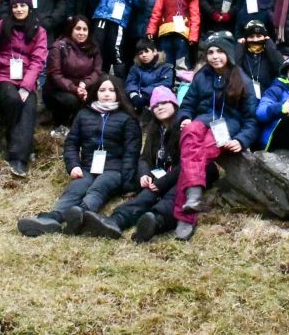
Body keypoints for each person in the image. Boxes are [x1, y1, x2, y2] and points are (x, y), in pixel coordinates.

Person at [17, 75, 141, 237]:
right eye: (102, 90)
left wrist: (127, 181)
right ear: (95, 92)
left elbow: (132, 152)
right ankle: (52, 218)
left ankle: (82, 214)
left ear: (118, 93)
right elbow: (72, 144)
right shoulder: (83, 114)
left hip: (113, 169)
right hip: (88, 167)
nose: (106, 94)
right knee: (75, 188)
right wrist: (73, 166)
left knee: (99, 187)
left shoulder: (127, 118)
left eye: (111, 90)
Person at [173, 31, 258, 241]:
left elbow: (252, 119)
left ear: (228, 53)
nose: (214, 56)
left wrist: (241, 140)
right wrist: (184, 117)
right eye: (210, 52)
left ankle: (186, 214)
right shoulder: (201, 77)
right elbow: (188, 104)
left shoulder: (243, 80)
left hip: (227, 126)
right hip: (203, 119)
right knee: (190, 131)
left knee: (198, 152)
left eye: (219, 51)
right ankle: (194, 196)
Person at [81, 86, 183, 242]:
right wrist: (144, 174)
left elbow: (188, 163)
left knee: (173, 195)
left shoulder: (185, 127)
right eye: (155, 105)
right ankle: (116, 221)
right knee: (147, 195)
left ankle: (155, 222)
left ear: (174, 104)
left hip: (183, 177)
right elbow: (145, 158)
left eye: (163, 102)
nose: (159, 107)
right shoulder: (155, 129)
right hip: (160, 177)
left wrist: (164, 182)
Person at [0, 0, 48, 177]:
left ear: (29, 8)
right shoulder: (2, 26)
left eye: (22, 6)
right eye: (15, 6)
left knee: (28, 108)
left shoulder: (39, 31)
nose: (18, 10)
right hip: (4, 74)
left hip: (27, 78)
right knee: (12, 99)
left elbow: (38, 60)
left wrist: (26, 86)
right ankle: (15, 146)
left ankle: (19, 160)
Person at [43, 15, 103, 131]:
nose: (81, 33)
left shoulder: (94, 48)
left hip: (83, 86)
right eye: (78, 29)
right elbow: (55, 75)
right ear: (71, 29)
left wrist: (85, 84)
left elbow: (97, 71)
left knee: (104, 83)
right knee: (71, 100)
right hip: (59, 89)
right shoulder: (59, 46)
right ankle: (60, 123)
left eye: (85, 29)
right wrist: (75, 89)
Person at [146, 0, 201, 68]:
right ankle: (165, 82)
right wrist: (151, 30)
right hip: (165, 32)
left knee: (181, 61)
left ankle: (180, 83)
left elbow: (195, 15)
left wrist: (193, 36)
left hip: (182, 33)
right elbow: (156, 12)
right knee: (165, 62)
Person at [235, 19, 284, 100]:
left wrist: (270, 46)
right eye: (251, 37)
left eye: (259, 36)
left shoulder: (270, 53)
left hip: (269, 98)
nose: (255, 40)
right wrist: (239, 47)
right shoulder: (242, 54)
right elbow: (233, 70)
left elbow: (281, 69)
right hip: (245, 98)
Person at [126, 39, 175, 113]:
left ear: (154, 52)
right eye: (140, 53)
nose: (144, 55)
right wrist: (134, 95)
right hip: (139, 100)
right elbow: (130, 83)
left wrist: (146, 94)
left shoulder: (165, 67)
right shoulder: (135, 68)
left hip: (159, 101)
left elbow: (166, 83)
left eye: (146, 51)